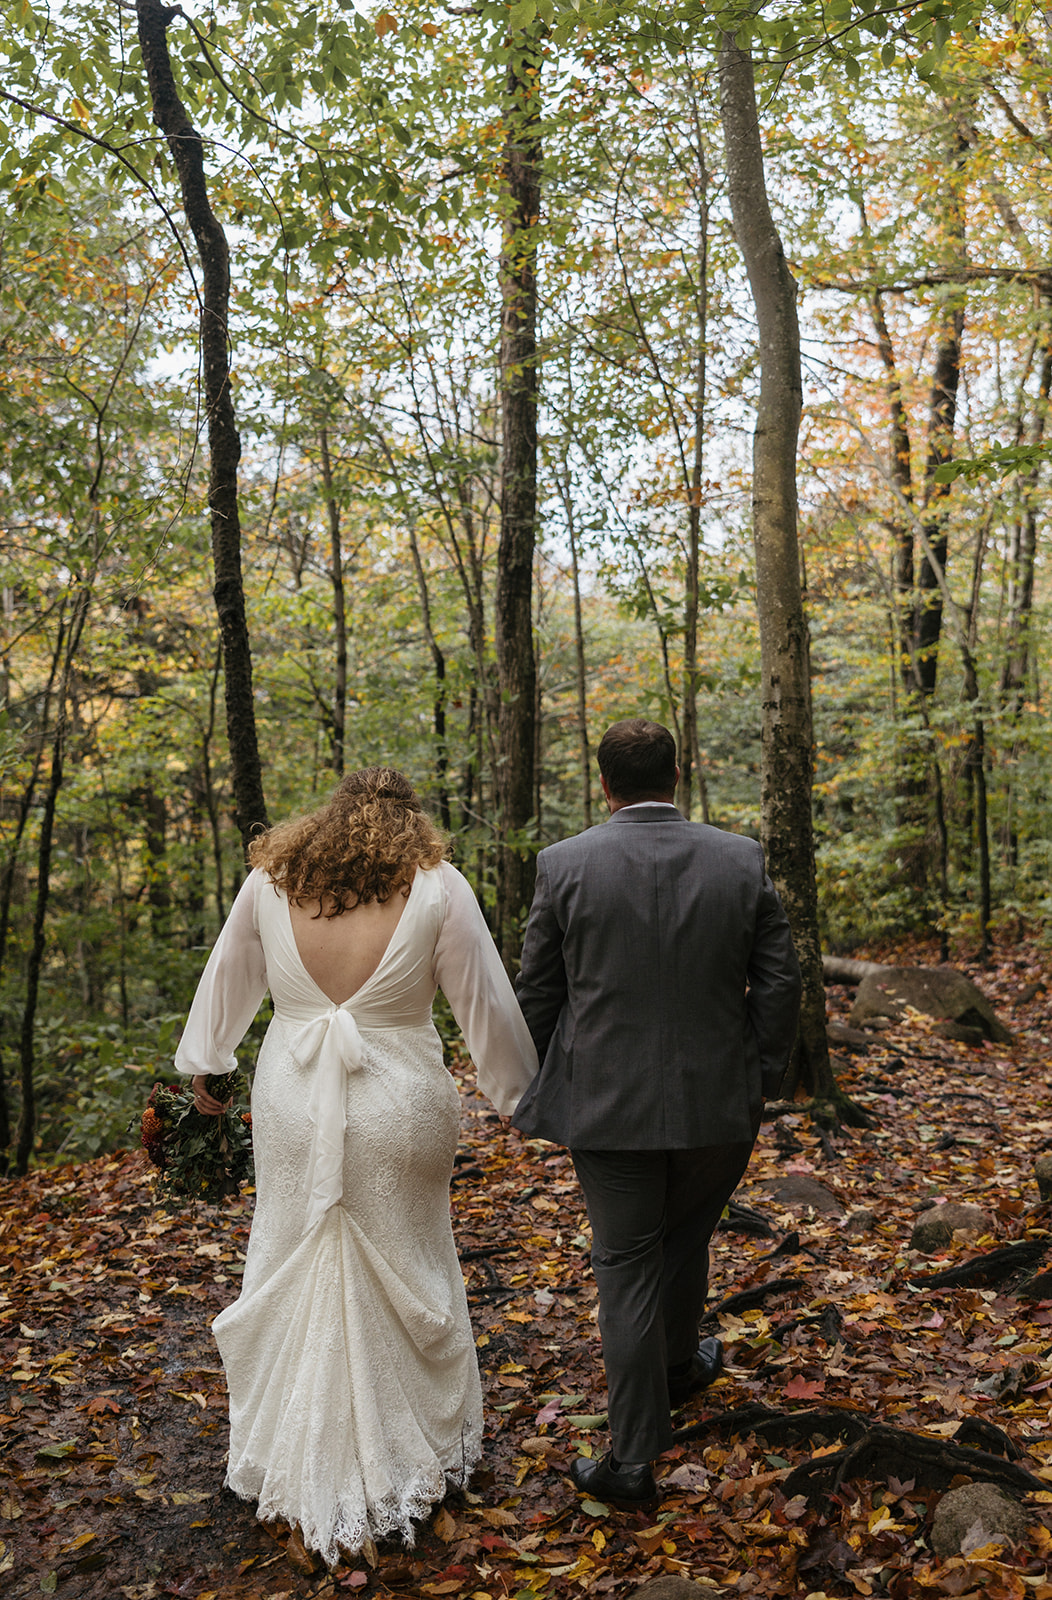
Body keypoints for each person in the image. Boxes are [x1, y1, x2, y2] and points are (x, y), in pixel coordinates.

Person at [175, 767, 538, 1567]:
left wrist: (208, 1063)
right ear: (411, 825)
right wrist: (519, 1094)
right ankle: (409, 1455)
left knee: (287, 1249)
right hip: (399, 1102)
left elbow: (227, 978)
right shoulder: (437, 884)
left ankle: (290, 1449)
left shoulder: (271, 884)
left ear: (328, 818)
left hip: (291, 1102)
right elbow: (485, 1001)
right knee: (411, 1256)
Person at [513, 718, 801, 1506]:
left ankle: (635, 1457)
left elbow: (538, 991)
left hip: (607, 1108)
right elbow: (780, 980)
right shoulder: (739, 859)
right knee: (682, 1237)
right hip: (720, 1101)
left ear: (603, 783)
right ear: (679, 774)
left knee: (629, 1263)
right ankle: (674, 1368)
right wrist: (761, 1072)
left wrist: (529, 1085)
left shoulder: (564, 866)